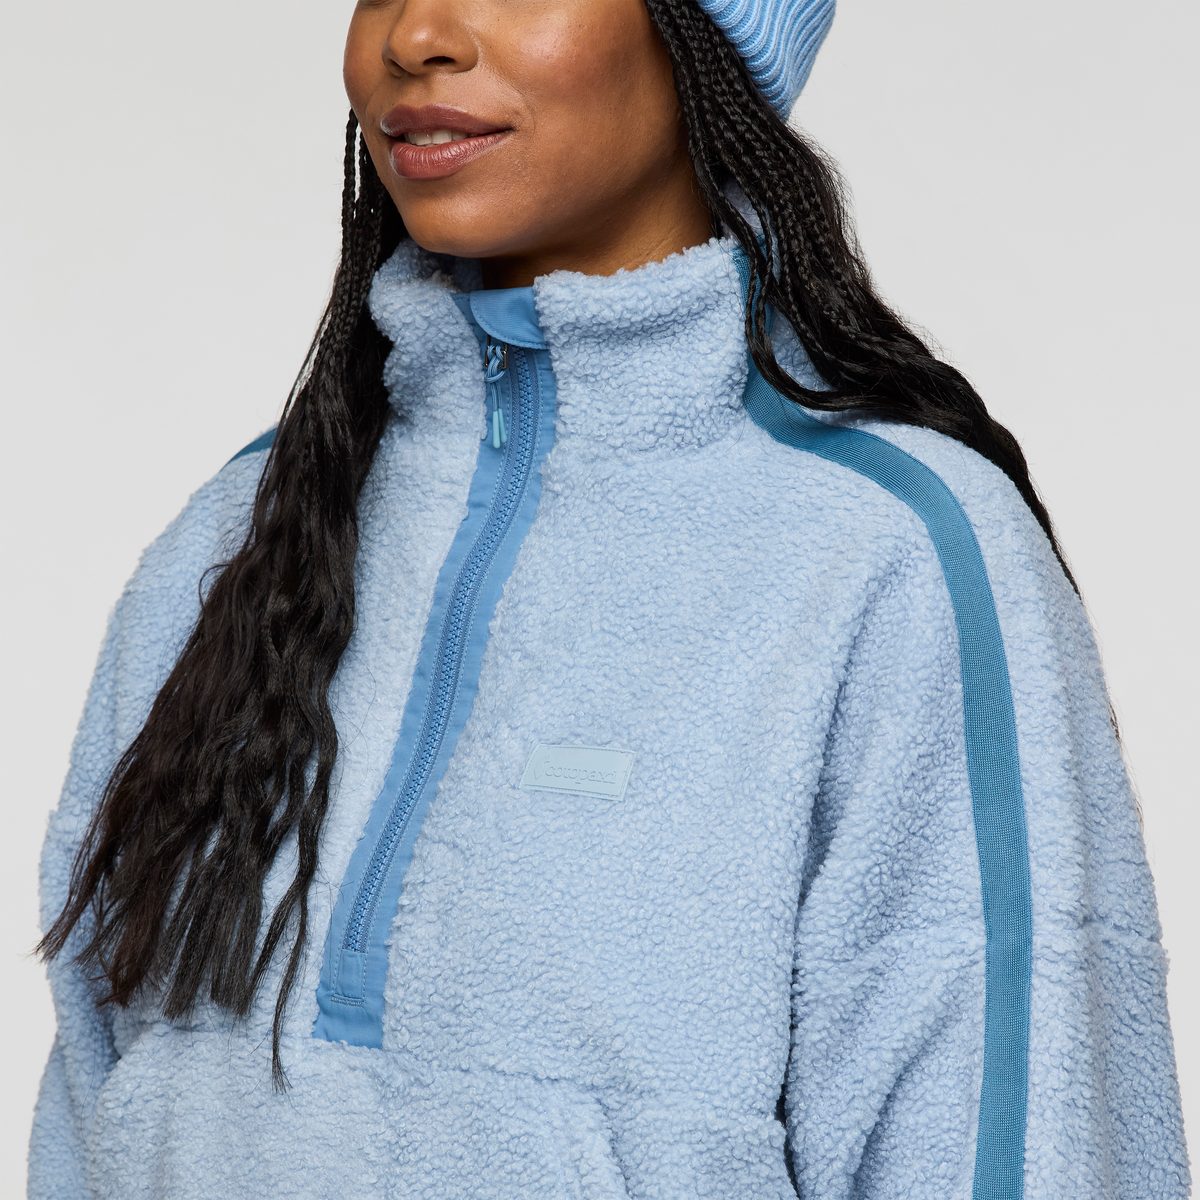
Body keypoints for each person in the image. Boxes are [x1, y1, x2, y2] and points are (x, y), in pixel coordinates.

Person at [29, 0, 1188, 1196]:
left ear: (708, 40)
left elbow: (1016, 1152)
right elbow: (90, 1105)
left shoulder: (890, 550)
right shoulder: (247, 528)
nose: (416, 35)